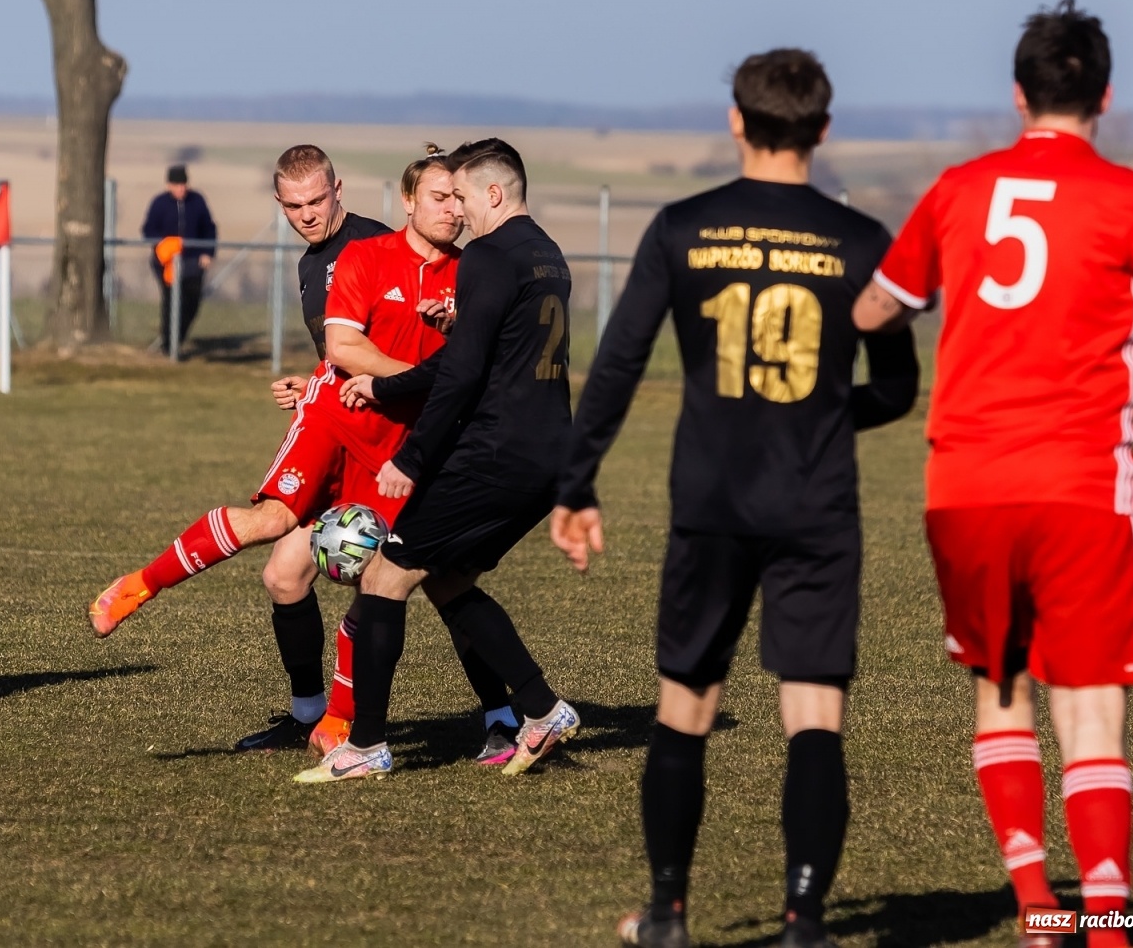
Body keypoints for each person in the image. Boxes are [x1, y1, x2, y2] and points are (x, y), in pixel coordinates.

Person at [551, 50, 919, 948]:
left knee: (687, 706)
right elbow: (897, 387)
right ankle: (804, 923)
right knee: (814, 714)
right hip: (815, 505)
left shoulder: (683, 227)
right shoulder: (862, 239)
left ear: (735, 120)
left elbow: (620, 362)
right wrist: (822, 416)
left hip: (710, 500)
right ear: (822, 128)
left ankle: (668, 915)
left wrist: (577, 482)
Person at [853, 0, 1133, 948]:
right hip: (1081, 485)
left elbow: (878, 308)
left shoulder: (959, 189)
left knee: (1000, 691)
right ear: (1107, 97)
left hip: (965, 485)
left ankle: (1041, 911)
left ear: (1017, 94)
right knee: (1092, 711)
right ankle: (1111, 928)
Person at [90, 147, 512, 760]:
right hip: (338, 418)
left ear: (340, 191)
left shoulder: (408, 254)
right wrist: (318, 376)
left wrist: (416, 375)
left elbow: (445, 359)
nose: (307, 214)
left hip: (400, 441)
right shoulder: (324, 259)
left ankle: (395, 717)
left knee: (413, 579)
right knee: (280, 557)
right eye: (294, 206)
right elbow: (343, 344)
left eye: (317, 200)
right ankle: (146, 592)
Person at [296, 138, 578, 784]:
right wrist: (391, 382)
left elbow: (462, 375)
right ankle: (540, 710)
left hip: (493, 453)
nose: (458, 212)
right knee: (447, 579)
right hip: (548, 454)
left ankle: (366, 745)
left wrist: (413, 456)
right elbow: (485, 353)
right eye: (444, 198)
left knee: (384, 577)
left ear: (495, 193)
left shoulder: (488, 255)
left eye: (465, 197)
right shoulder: (547, 254)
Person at [141, 163, 217, 354]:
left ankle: (178, 338)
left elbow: (209, 228)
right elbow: (149, 230)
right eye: (177, 185)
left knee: (192, 301)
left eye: (183, 184)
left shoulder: (197, 201)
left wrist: (208, 252)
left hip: (193, 262)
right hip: (166, 263)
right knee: (170, 301)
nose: (181, 189)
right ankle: (169, 345)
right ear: (169, 185)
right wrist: (164, 246)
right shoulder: (159, 203)